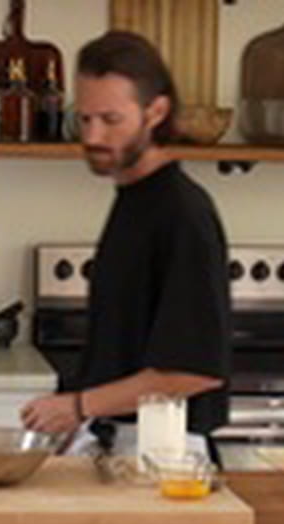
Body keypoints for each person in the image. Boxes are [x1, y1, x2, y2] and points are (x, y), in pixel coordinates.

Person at [20, 31, 231, 466]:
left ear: (156, 111)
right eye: (85, 118)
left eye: (111, 119)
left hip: (165, 456)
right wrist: (79, 412)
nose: (93, 136)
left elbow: (193, 371)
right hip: (121, 443)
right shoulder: (133, 200)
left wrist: (79, 406)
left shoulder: (182, 214)